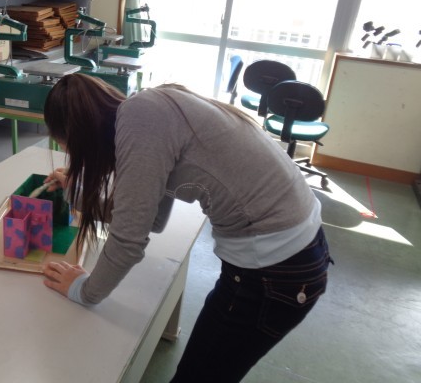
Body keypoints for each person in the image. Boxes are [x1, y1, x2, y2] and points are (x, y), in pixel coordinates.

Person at [41, 73, 333, 382]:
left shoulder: (141, 121)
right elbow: (152, 219)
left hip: (274, 270)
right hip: (295, 252)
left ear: (83, 138)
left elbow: (127, 241)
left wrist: (83, 291)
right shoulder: (152, 107)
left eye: (71, 150)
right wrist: (77, 193)